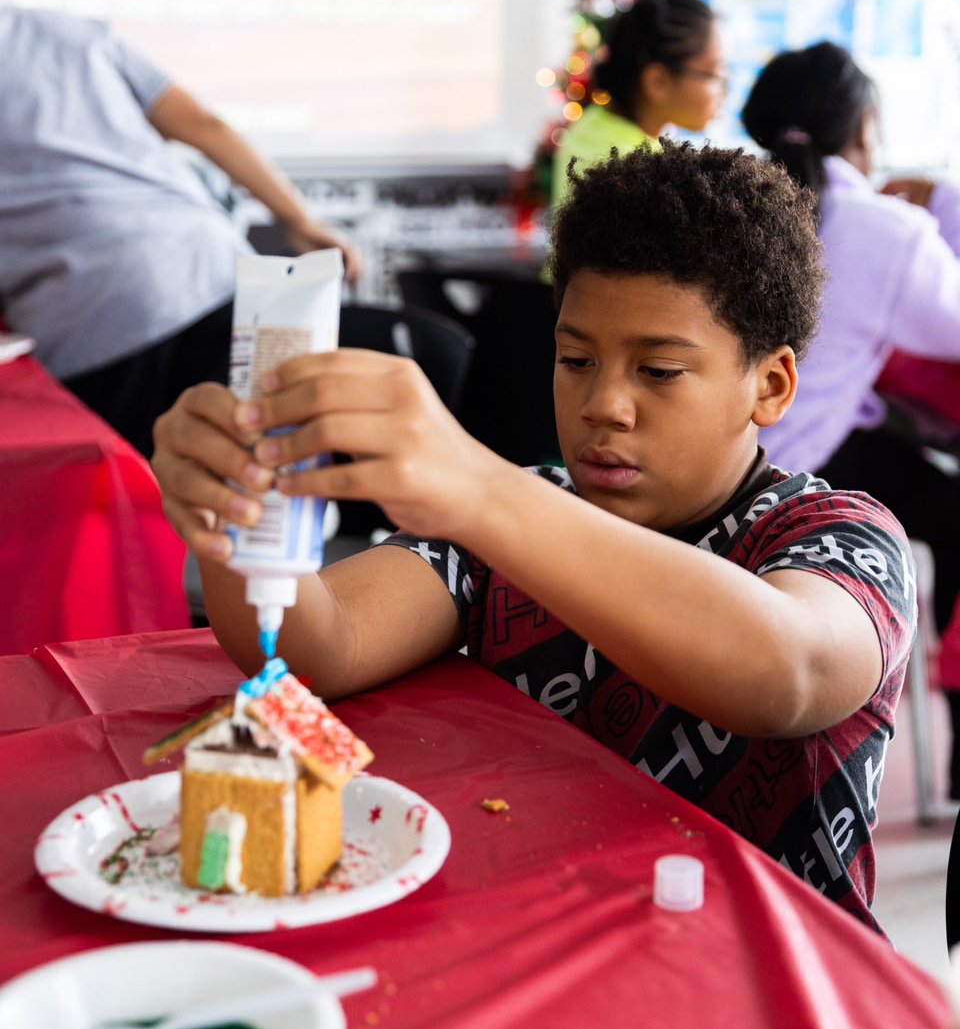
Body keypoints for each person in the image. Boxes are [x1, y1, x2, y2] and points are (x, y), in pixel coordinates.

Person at [152, 141, 915, 931]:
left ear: (771, 384)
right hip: (541, 945)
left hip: (778, 995)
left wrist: (481, 486)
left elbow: (784, 673)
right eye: (576, 358)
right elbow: (313, 648)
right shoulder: (517, 519)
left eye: (658, 371)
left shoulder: (839, 539)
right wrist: (236, 519)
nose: (604, 404)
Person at [742, 39, 960, 796]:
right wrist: (945, 201)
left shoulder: (734, 200)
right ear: (862, 127)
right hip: (801, 470)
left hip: (726, 454)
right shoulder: (885, 230)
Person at [0, 2, 362, 458]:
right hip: (207, 273)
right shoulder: (70, 33)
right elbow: (204, 125)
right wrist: (300, 221)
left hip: (87, 321)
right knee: (249, 477)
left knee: (143, 504)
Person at [551, 0, 727, 209]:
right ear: (658, 82)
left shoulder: (592, 124)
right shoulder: (641, 176)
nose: (724, 89)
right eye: (715, 74)